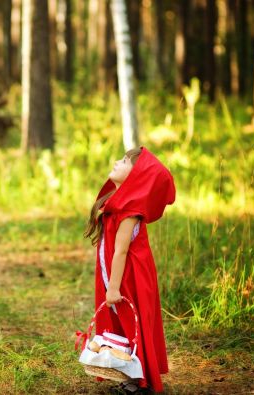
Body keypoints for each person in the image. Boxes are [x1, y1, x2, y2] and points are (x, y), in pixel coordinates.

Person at [83, 146, 176, 394]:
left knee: (134, 325)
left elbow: (121, 251)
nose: (117, 161)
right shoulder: (118, 205)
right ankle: (130, 374)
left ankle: (140, 381)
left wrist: (113, 288)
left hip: (130, 278)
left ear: (137, 177)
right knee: (122, 322)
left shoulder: (130, 213)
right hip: (120, 274)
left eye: (124, 161)